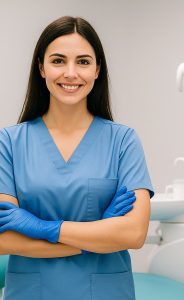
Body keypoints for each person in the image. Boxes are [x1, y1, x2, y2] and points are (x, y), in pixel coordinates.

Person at [0, 16, 154, 300]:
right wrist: (94, 238)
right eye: (58, 61)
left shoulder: (123, 140)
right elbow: (3, 238)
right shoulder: (8, 142)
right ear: (41, 68)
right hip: (33, 292)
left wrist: (44, 227)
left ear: (97, 70)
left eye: (83, 62)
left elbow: (133, 233)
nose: (70, 73)